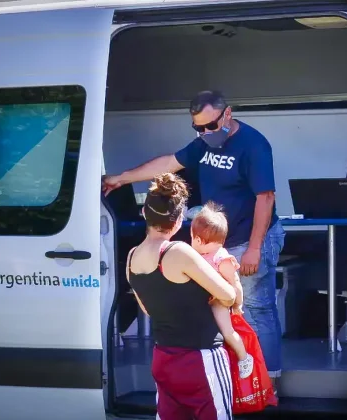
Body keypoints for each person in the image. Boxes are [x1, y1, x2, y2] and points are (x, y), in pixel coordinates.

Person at [103, 90, 285, 387]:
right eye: (198, 128)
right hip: (218, 241)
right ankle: (239, 381)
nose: (205, 133)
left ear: (228, 114)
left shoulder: (253, 145)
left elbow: (265, 198)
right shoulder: (203, 144)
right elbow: (168, 163)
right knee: (224, 310)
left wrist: (254, 248)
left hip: (250, 237)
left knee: (256, 308)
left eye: (210, 126)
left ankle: (268, 382)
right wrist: (121, 178)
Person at [126, 173, 236, 419]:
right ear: (177, 222)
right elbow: (228, 296)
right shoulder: (179, 252)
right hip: (200, 359)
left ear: (144, 213)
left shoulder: (132, 257)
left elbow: (147, 309)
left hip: (163, 359)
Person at [191, 201, 254, 379]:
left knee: (227, 331)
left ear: (197, 239)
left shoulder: (222, 258)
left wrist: (237, 306)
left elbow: (235, 284)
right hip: (202, 300)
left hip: (218, 301)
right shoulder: (197, 255)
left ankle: (244, 357)